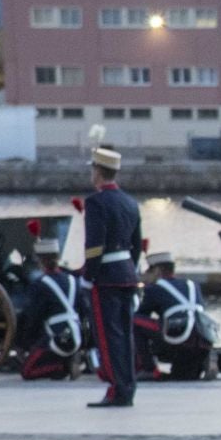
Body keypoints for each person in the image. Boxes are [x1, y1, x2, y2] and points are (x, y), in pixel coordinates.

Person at [81, 146, 142, 408]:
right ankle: (127, 386)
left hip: (105, 277)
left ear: (98, 171)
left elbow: (95, 246)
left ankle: (117, 388)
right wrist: (130, 269)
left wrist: (87, 275)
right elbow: (137, 245)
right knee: (125, 335)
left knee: (108, 336)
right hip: (127, 273)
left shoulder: (95, 202)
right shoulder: (130, 202)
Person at [13, 228, 88, 380]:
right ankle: (68, 361)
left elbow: (33, 317)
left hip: (57, 337)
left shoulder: (40, 285)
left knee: (27, 372)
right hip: (77, 336)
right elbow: (84, 310)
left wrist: (22, 343)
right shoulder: (72, 280)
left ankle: (64, 367)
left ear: (40, 261)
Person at [134, 250, 217, 380]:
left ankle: (148, 368)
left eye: (148, 271)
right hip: (202, 337)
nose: (145, 274)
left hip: (178, 337)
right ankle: (206, 357)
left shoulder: (155, 288)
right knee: (183, 375)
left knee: (134, 321)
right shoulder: (192, 284)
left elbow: (142, 314)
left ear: (157, 271)